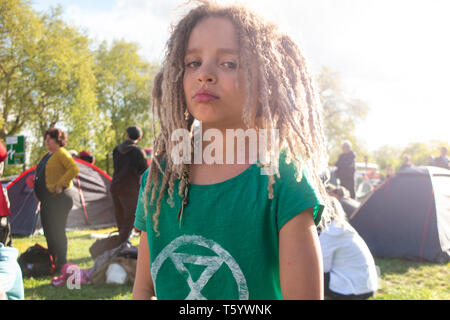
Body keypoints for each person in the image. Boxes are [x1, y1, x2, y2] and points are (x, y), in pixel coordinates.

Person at [133, 2, 329, 300]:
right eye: (193, 62)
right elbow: (144, 289)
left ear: (265, 80)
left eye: (229, 63)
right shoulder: (158, 180)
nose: (205, 75)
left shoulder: (282, 177)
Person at [34, 128, 79, 272]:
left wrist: (60, 184)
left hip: (59, 198)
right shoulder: (47, 155)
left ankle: (62, 263)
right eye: (45, 139)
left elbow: (73, 169)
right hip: (47, 200)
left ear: (57, 140)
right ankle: (52, 259)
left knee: (57, 231)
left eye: (50, 139)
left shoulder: (61, 154)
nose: (47, 142)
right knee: (48, 231)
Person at [319, 196, 378, 300]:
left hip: (351, 289)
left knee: (310, 275)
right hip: (365, 285)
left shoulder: (330, 232)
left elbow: (322, 267)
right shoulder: (341, 227)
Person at [111, 126, 148, 245]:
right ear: (139, 138)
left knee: (120, 215)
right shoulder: (138, 152)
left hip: (115, 186)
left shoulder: (116, 149)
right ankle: (121, 243)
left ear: (126, 135)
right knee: (131, 216)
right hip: (129, 188)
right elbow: (144, 170)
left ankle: (121, 242)